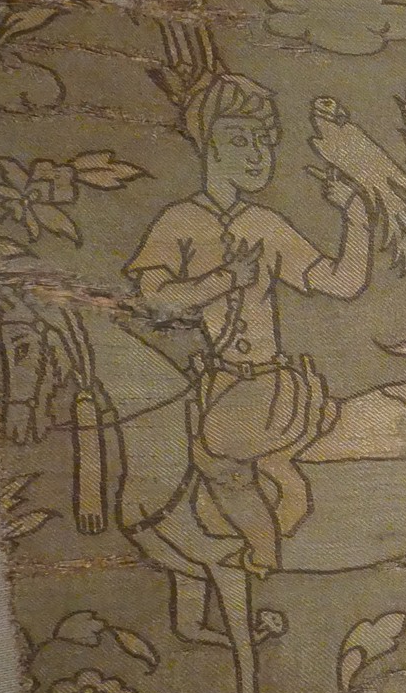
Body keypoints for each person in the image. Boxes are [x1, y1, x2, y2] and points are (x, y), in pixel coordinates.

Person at [127, 73, 370, 577]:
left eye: (264, 141)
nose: (258, 155)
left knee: (213, 455)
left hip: (267, 383)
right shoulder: (179, 222)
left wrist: (356, 217)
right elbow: (155, 300)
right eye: (240, 140)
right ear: (208, 145)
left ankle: (262, 551)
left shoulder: (264, 225)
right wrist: (225, 279)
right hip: (216, 382)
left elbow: (343, 282)